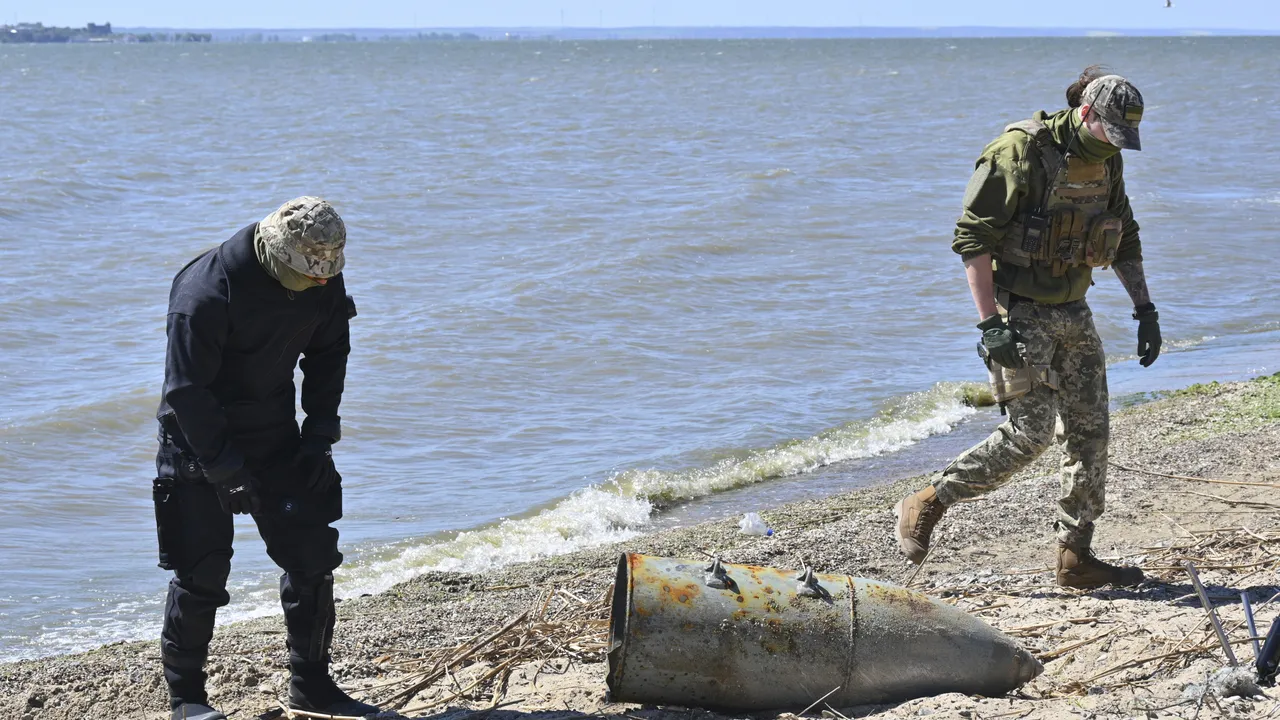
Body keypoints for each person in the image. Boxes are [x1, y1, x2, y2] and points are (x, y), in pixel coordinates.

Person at [894, 68, 1162, 589]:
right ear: (1086, 112)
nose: (1115, 144)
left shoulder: (1108, 160)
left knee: (1090, 434)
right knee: (1030, 434)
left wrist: (1145, 309)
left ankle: (1075, 556)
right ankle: (928, 500)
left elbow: (1124, 235)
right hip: (1019, 311)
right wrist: (990, 323)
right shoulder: (1018, 152)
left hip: (1073, 309)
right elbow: (972, 239)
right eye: (1110, 131)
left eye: (1124, 137)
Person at [151, 197, 381, 719]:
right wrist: (223, 468)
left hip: (275, 434)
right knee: (202, 573)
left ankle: (312, 688)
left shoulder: (322, 270)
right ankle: (187, 701)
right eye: (311, 275)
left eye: (329, 273)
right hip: (197, 441)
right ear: (276, 256)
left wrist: (319, 432)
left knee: (313, 558)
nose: (321, 282)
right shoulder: (205, 292)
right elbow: (186, 391)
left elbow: (329, 352)